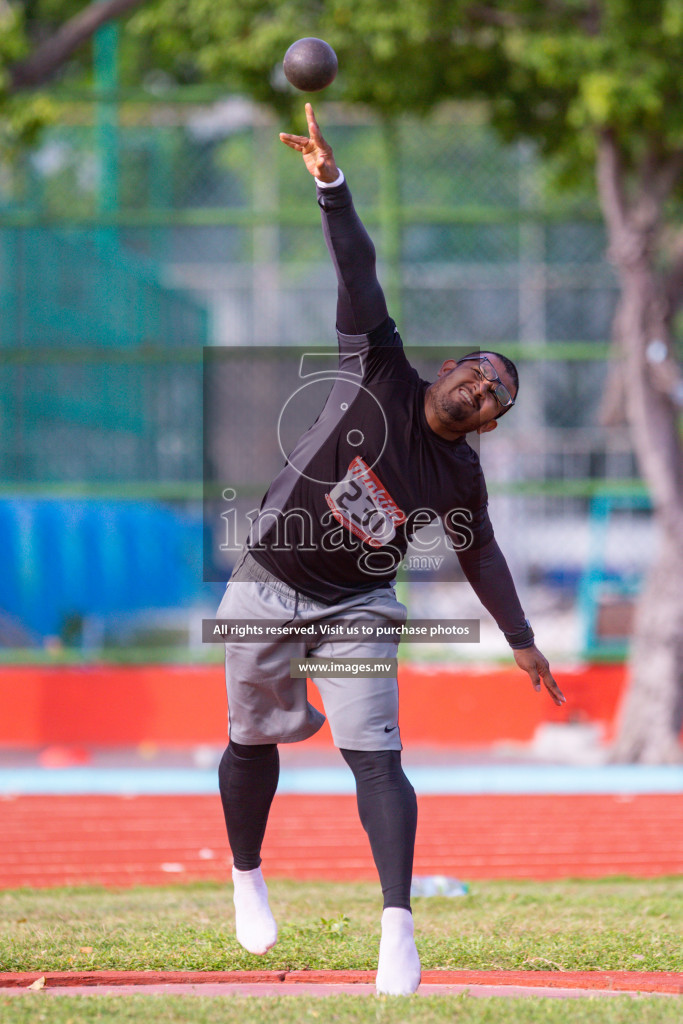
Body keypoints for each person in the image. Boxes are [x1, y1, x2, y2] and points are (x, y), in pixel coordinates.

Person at [216, 103, 565, 996]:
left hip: (358, 608)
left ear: (489, 421)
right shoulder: (377, 366)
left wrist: (520, 636)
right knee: (250, 738)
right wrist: (332, 186)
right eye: (478, 371)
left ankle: (397, 929)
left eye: (496, 396)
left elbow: (479, 554)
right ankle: (247, 874)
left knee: (377, 755)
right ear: (449, 367)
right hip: (268, 577)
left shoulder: (459, 478)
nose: (481, 389)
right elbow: (357, 267)